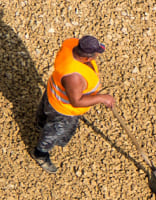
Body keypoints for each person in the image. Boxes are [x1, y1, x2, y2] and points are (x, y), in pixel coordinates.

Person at [32, 35, 114, 172]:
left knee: (44, 114)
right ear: (87, 58)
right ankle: (40, 153)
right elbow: (76, 101)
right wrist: (102, 98)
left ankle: (39, 124)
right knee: (55, 131)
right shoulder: (74, 77)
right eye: (95, 55)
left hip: (53, 92)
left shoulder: (70, 44)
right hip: (63, 110)